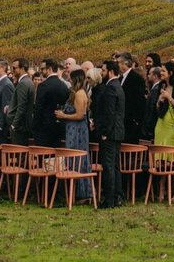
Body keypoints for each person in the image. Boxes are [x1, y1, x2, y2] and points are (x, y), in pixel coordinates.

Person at [55, 68, 94, 202]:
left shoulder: (80, 94)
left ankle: (82, 192)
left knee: (76, 156)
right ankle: (74, 191)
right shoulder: (76, 93)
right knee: (73, 157)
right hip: (72, 128)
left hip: (77, 130)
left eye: (71, 78)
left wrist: (63, 115)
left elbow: (79, 115)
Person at [93, 60, 125, 208]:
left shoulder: (110, 88)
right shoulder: (118, 86)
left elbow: (109, 113)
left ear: (111, 72)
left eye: (104, 70)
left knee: (108, 166)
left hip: (110, 133)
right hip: (117, 132)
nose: (101, 73)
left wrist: (105, 132)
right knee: (115, 165)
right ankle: (117, 197)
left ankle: (109, 199)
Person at [31, 58, 70, 148]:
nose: (41, 71)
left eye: (42, 69)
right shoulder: (63, 86)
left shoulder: (43, 86)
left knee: (43, 154)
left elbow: (38, 109)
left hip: (43, 129)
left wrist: (34, 127)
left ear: (49, 69)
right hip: (58, 129)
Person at [152, 61, 174, 148]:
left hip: (173, 124)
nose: (161, 73)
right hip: (161, 121)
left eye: (163, 71)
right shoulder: (161, 85)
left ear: (170, 73)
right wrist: (159, 101)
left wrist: (169, 97)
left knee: (169, 147)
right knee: (159, 146)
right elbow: (157, 107)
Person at [118, 53, 147, 146]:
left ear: (125, 63)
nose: (117, 65)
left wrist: (136, 120)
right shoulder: (120, 79)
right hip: (122, 121)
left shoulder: (136, 79)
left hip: (131, 123)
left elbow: (139, 101)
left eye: (119, 62)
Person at [8, 58, 35, 145]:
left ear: (22, 68)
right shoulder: (27, 81)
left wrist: (14, 125)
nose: (12, 70)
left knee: (18, 150)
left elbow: (21, 107)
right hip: (22, 125)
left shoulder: (23, 83)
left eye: (14, 68)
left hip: (20, 127)